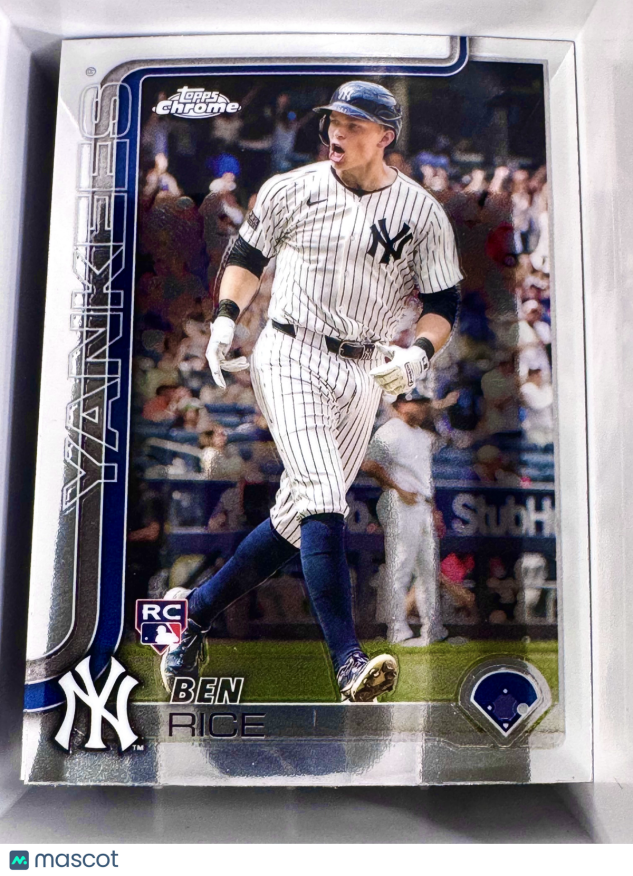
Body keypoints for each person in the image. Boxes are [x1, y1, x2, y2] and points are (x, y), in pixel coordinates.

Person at [160, 80, 463, 703]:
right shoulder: (291, 187)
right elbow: (247, 255)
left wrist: (419, 352)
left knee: (296, 520)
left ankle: (194, 615)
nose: (336, 132)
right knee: (324, 496)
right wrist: (225, 317)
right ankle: (349, 663)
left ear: (385, 136)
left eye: (353, 124)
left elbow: (443, 304)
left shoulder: (421, 211)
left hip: (363, 370)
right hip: (290, 351)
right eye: (333, 121)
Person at [361, 390, 447, 646]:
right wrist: (398, 488)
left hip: (422, 504)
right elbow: (370, 464)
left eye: (423, 403)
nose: (421, 407)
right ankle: (397, 629)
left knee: (428, 570)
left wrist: (432, 507)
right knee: (401, 567)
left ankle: (432, 629)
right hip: (401, 504)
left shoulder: (422, 436)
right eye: (416, 402)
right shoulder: (390, 431)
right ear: (400, 404)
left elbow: (425, 477)